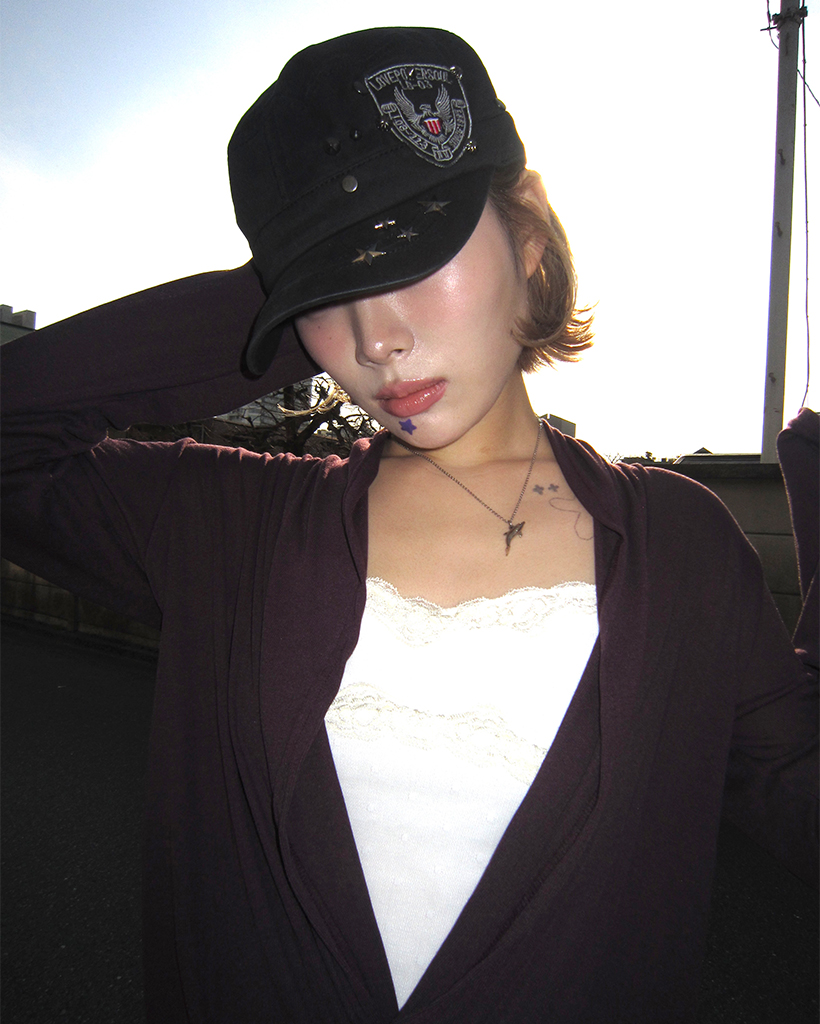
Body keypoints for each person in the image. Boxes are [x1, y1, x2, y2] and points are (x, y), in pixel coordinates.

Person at [1, 26, 816, 1024]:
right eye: (326, 293)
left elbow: (794, 783)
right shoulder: (223, 522)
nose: (375, 338)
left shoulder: (683, 549)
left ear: (527, 235)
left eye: (406, 250)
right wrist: (267, 315)